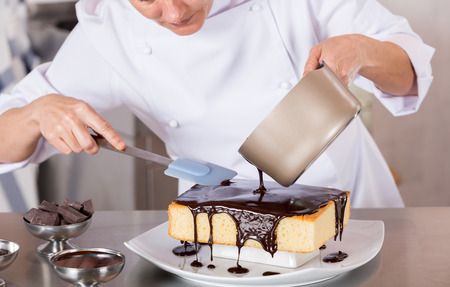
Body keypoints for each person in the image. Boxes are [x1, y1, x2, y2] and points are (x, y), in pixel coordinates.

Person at [0, 0, 434, 208]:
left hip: (355, 207)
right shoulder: (111, 33)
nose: (173, 13)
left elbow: (410, 71)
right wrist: (36, 113)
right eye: (147, 0)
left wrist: (364, 50)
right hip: (220, 232)